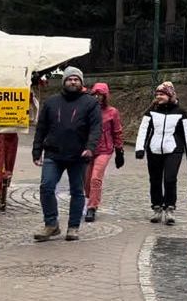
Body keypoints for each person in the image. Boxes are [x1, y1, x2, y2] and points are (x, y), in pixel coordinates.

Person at [31, 68, 101, 241]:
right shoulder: (51, 102)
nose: (73, 82)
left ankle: (73, 227)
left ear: (81, 82)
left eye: (76, 79)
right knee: (46, 187)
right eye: (69, 79)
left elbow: (95, 128)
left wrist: (90, 147)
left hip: (78, 155)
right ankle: (51, 224)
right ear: (64, 82)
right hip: (53, 154)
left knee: (77, 191)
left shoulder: (90, 103)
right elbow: (41, 128)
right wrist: (37, 150)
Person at [136, 81, 187, 226]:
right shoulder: (151, 111)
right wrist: (139, 148)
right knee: (155, 179)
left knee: (169, 179)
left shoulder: (181, 112)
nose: (158, 96)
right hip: (154, 149)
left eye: (161, 94)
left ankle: (169, 208)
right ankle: (156, 207)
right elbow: (143, 129)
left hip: (173, 150)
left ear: (170, 95)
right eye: (157, 94)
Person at [83, 83, 124, 223]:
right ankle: (90, 198)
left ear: (105, 96)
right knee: (87, 180)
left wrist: (119, 151)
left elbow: (117, 132)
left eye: (100, 95)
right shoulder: (87, 110)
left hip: (105, 149)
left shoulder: (112, 112)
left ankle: (92, 207)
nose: (98, 97)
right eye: (95, 94)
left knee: (96, 178)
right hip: (89, 148)